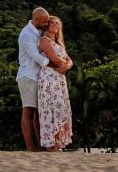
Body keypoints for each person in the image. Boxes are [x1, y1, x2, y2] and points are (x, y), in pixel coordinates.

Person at [38, 15, 73, 151]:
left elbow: (70, 60)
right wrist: (66, 64)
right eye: (51, 23)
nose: (54, 25)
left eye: (56, 23)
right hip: (49, 77)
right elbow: (55, 58)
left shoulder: (59, 44)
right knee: (51, 109)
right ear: (47, 25)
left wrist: (67, 65)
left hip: (60, 80)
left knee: (61, 109)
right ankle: (50, 145)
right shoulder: (44, 41)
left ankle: (57, 144)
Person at [17, 7, 51, 152]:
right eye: (44, 22)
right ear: (36, 20)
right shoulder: (26, 34)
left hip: (37, 77)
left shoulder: (37, 32)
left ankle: (41, 146)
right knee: (28, 111)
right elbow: (34, 56)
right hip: (27, 76)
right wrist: (50, 62)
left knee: (38, 113)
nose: (46, 24)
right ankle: (30, 147)